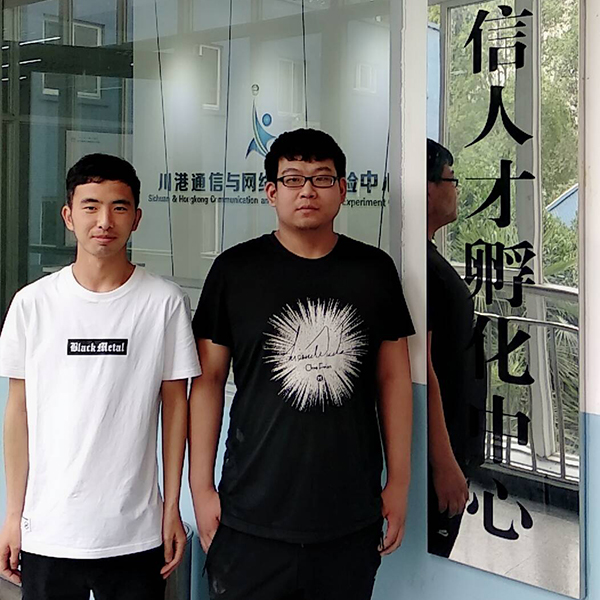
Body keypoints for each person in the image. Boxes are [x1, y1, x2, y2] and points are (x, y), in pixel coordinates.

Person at [189, 128, 414, 600]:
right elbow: (208, 381)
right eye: (292, 179)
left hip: (349, 514)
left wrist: (399, 482)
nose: (307, 190)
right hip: (249, 512)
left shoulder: (373, 271)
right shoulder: (234, 271)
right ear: (271, 192)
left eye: (321, 178)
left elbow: (394, 378)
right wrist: (201, 487)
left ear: (343, 190)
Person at [0, 153, 201, 599]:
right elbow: (19, 412)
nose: (104, 221)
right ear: (68, 216)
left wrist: (171, 507)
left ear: (137, 218)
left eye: (119, 207)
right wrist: (13, 514)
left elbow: (176, 406)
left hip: (135, 531)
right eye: (90, 206)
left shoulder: (164, 303)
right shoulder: (33, 304)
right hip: (50, 528)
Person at [426, 139, 486, 557]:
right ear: (428, 189)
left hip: (450, 445)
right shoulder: (422, 270)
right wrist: (444, 461)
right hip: (438, 454)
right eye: (451, 179)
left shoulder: (426, 260)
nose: (457, 189)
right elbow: (422, 368)